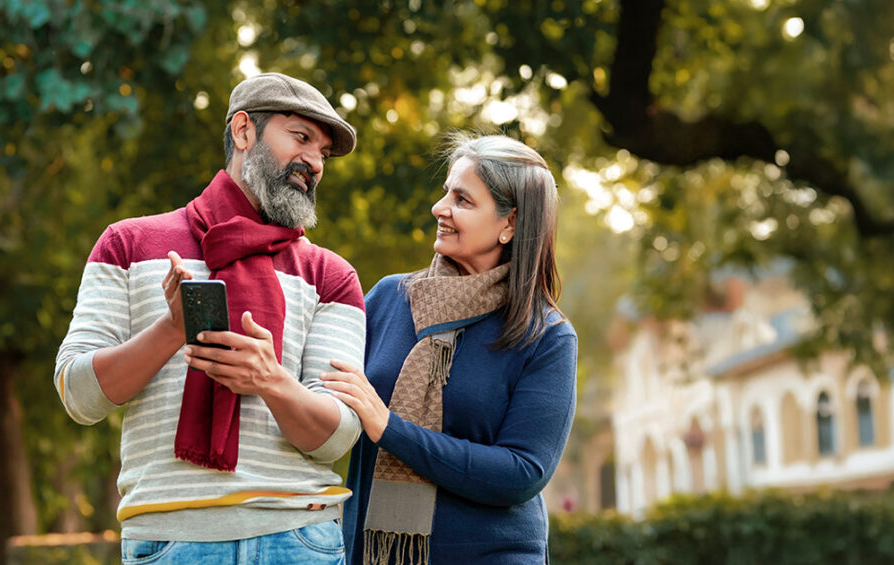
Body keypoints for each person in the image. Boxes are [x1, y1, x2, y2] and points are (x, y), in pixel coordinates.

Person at [54, 73, 366, 564]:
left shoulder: (330, 275)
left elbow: (338, 437)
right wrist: (173, 328)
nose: (314, 162)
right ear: (243, 131)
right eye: (301, 138)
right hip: (170, 541)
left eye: (323, 152)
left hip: (299, 540)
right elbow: (79, 396)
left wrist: (270, 381)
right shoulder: (128, 245)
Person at [321, 133, 578, 565]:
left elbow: (521, 473)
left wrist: (391, 429)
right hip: (370, 554)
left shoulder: (545, 336)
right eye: (446, 193)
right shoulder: (388, 299)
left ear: (510, 223)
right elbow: (326, 402)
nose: (439, 208)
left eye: (462, 200)